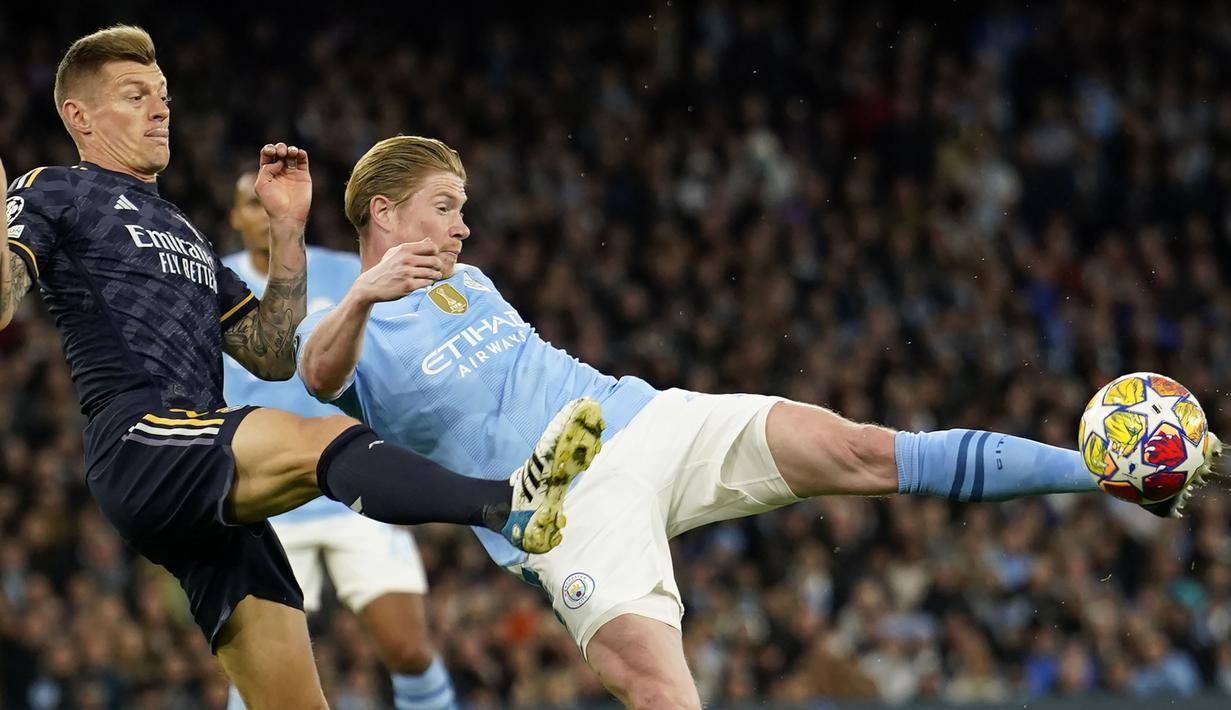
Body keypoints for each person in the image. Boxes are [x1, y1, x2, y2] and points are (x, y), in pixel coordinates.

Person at [296, 135, 1225, 710]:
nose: (462, 226)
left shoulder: (470, 279)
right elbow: (314, 371)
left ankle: (1103, 470)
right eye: (445, 207)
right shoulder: (348, 322)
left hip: (644, 419)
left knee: (860, 448)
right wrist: (364, 297)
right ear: (384, 211)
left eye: (463, 210)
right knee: (661, 692)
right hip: (562, 510)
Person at [0, 26, 601, 710]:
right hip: (144, 440)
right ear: (78, 116)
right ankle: (504, 502)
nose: (160, 109)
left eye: (162, 95)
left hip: (199, 474)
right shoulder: (52, 190)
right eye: (135, 96)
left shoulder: (185, 230)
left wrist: (287, 233)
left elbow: (271, 351)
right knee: (316, 443)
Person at [222, 171, 456, 710]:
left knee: (408, 649)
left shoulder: (347, 273)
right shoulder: (215, 285)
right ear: (235, 218)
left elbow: (396, 360)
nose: (262, 215)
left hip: (352, 476)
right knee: (256, 677)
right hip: (267, 500)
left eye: (268, 205)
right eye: (249, 207)